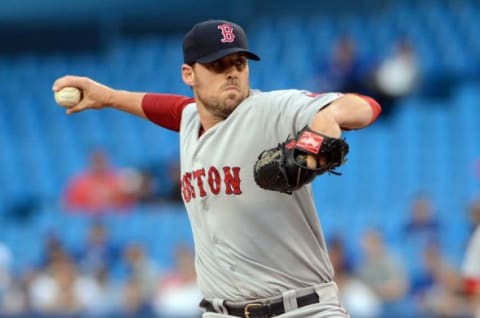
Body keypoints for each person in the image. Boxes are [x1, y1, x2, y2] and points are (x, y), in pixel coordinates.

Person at [53, 19, 381, 318]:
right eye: (218, 64)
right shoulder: (189, 119)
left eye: (239, 63)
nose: (232, 72)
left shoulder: (270, 109)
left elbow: (365, 106)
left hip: (301, 309)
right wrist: (108, 97)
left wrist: (329, 116)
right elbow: (169, 109)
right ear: (188, 74)